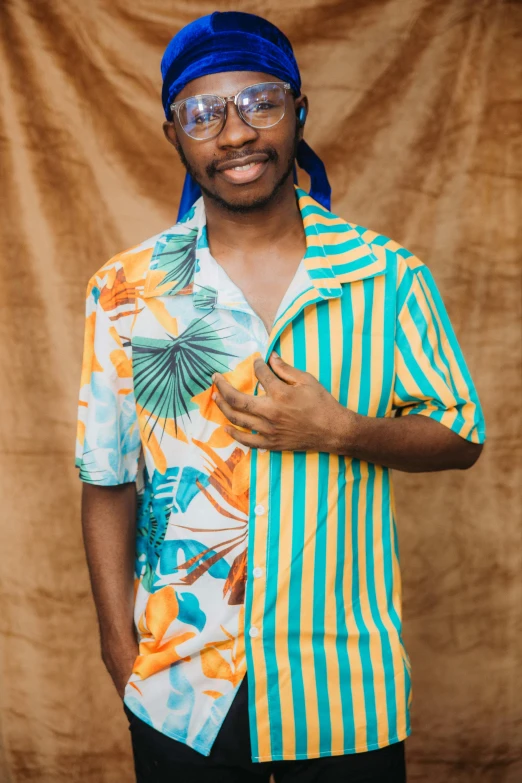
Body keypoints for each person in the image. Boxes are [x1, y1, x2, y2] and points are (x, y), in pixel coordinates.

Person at [76, 11, 485, 783]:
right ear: (174, 134)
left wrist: (346, 429)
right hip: (180, 686)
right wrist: (119, 650)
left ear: (298, 112)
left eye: (259, 103)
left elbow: (462, 435)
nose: (233, 134)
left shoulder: (385, 275)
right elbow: (104, 480)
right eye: (203, 113)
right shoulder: (125, 292)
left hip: (344, 686)